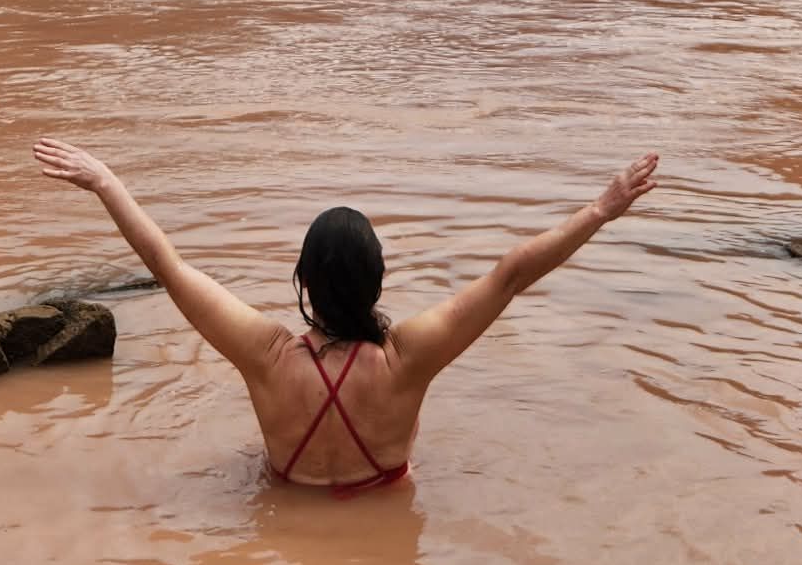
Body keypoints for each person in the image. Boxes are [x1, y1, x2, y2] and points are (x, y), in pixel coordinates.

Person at [32, 139, 661, 495]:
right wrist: (601, 209)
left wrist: (107, 182)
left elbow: (169, 268)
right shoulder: (407, 359)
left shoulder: (266, 356)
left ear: (303, 282)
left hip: (283, 506)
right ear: (380, 281)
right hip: (388, 508)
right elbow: (510, 275)